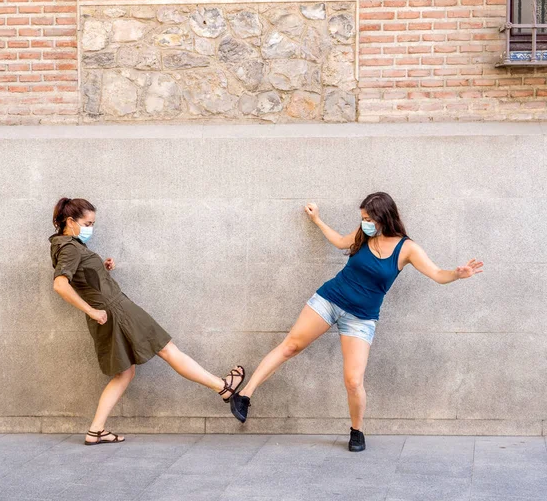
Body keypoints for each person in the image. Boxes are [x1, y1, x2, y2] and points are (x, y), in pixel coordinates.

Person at [229, 192, 483, 452]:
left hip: (361, 318)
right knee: (290, 346)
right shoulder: (364, 234)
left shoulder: (407, 248)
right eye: (362, 218)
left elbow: (438, 274)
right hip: (330, 299)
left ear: (384, 217)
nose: (364, 223)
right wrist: (317, 220)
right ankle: (245, 395)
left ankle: (357, 431)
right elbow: (340, 241)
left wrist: (456, 274)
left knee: (353, 381)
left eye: (368, 218)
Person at [50, 197, 245, 446]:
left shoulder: (67, 245)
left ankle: (96, 430)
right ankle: (223, 387)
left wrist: (102, 269)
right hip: (116, 310)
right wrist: (90, 310)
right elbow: (60, 285)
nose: (91, 228)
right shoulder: (70, 247)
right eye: (88, 223)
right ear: (70, 221)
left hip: (109, 313)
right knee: (166, 348)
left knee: (125, 373)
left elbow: (80, 279)